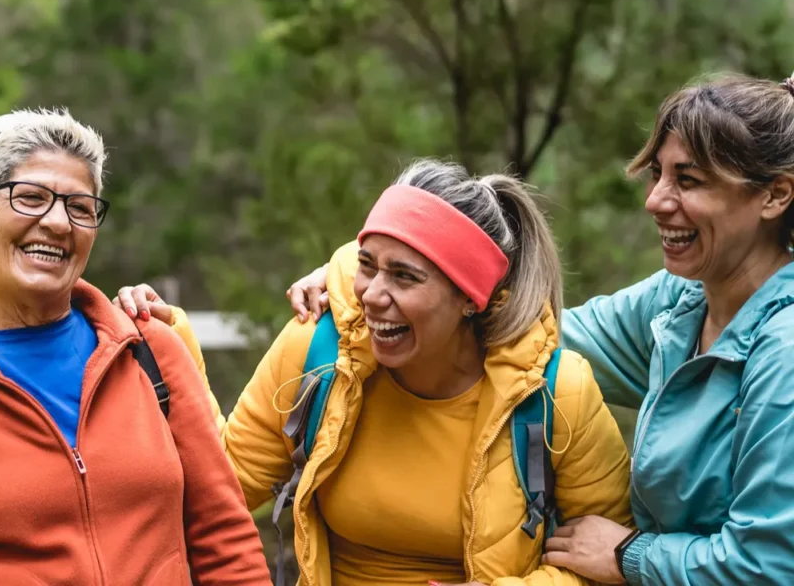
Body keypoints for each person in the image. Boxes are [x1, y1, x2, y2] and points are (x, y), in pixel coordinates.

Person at [277, 74, 794, 585]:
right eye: (658, 174)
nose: (655, 200)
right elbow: (522, 338)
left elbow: (771, 565)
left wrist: (631, 555)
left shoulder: (784, 349)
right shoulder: (680, 300)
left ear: (775, 196)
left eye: (689, 180)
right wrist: (369, 276)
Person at [118, 160, 633, 586]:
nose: (371, 294)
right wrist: (172, 349)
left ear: (470, 300)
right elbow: (221, 486)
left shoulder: (555, 391)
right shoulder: (319, 352)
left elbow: (606, 557)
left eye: (405, 276)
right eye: (368, 265)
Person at [0, 108, 271, 585]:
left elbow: (224, 539)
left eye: (80, 208)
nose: (57, 223)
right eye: (30, 198)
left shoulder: (151, 353)